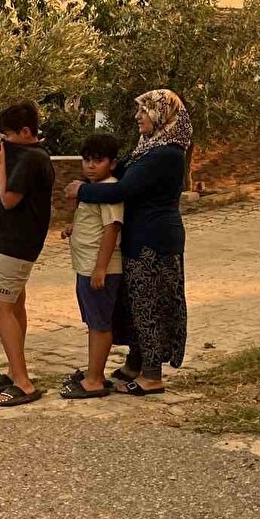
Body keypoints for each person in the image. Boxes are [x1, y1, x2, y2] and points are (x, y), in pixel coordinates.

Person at [66, 90, 191, 395]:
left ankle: (152, 376)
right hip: (140, 240)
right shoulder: (148, 148)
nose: (138, 117)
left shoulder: (166, 154)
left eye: (144, 111)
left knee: (149, 306)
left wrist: (81, 191)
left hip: (154, 242)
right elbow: (117, 172)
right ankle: (135, 364)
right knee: (135, 304)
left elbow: (120, 190)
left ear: (162, 115)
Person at [0, 101, 56, 407]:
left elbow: (9, 199)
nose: (3, 143)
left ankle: (23, 383)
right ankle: (15, 371)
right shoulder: (28, 156)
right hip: (5, 242)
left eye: (7, 136)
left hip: (15, 245)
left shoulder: (32, 159)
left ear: (25, 132)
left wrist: (1, 165)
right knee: (14, 305)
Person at [59, 133, 124, 400]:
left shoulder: (109, 191)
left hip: (100, 270)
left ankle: (95, 380)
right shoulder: (91, 189)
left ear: (112, 163)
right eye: (86, 160)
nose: (90, 165)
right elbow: (93, 222)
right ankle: (92, 372)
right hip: (84, 267)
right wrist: (73, 228)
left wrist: (100, 268)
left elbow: (112, 229)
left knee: (99, 324)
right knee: (93, 322)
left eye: (98, 160)